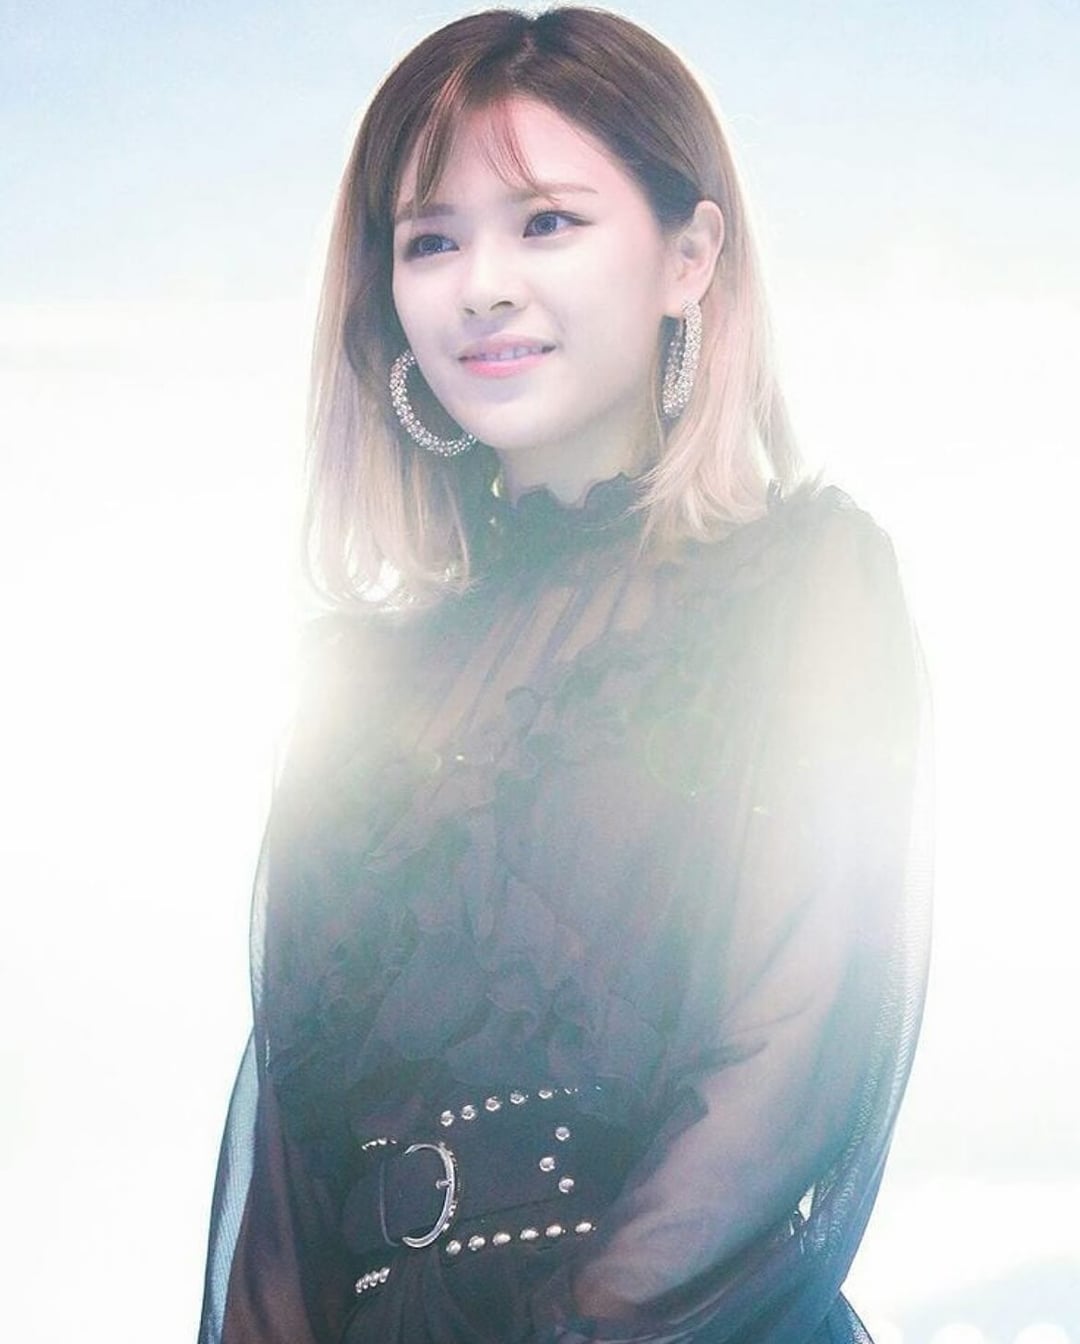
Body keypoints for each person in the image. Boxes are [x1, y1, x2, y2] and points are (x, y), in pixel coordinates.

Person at [198, 8, 931, 1342]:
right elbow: (291, 1190)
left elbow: (797, 1040)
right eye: (430, 241)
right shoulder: (356, 682)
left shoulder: (805, 584)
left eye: (545, 222)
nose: (481, 285)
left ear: (688, 257)